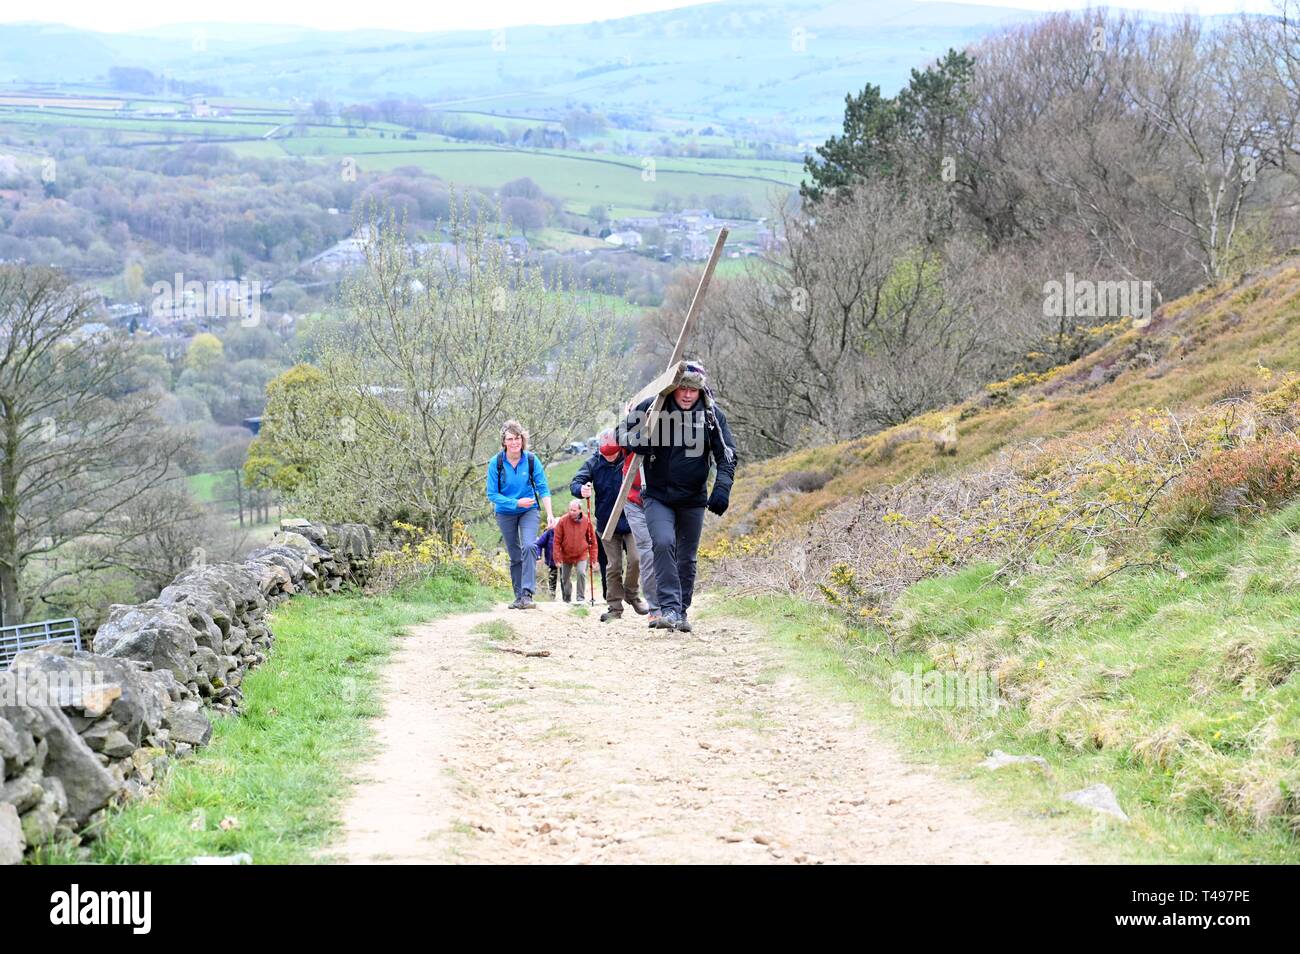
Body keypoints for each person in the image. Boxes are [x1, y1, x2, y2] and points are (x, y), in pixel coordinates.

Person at [617, 361, 737, 632]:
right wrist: (637, 441)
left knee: (686, 556)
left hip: (693, 498)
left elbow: (727, 456)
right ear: (673, 387)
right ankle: (669, 608)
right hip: (657, 495)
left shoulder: (711, 415)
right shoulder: (653, 407)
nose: (686, 395)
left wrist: (722, 488)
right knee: (662, 542)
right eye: (682, 388)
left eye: (692, 390)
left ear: (701, 391)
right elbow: (621, 433)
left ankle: (681, 610)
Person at [572, 429, 647, 622]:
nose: (611, 457)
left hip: (632, 519)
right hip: (607, 523)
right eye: (607, 454)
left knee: (636, 559)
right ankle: (614, 607)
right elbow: (577, 481)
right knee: (613, 566)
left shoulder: (631, 456)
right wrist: (581, 489)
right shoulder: (594, 462)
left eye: (614, 452)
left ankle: (632, 594)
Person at [486, 420, 554, 609]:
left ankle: (527, 594)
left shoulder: (531, 460)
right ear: (504, 442)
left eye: (518, 438)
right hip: (505, 513)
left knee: (530, 545)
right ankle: (518, 597)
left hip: (529, 510)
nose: (515, 442)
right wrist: (515, 502)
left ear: (522, 440)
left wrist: (550, 514)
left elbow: (543, 488)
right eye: (510, 439)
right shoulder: (496, 463)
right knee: (515, 554)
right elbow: (492, 494)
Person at [620, 437, 660, 628]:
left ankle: (673, 605)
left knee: (667, 548)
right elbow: (607, 444)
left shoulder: (672, 426)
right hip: (634, 501)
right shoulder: (628, 428)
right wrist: (629, 431)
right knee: (647, 551)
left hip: (663, 499)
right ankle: (655, 609)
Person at [553, 499, 598, 602]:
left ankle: (580, 597)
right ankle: (567, 597)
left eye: (574, 510)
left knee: (581, 573)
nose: (571, 512)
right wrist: (557, 558)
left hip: (581, 554)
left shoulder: (587, 521)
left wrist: (593, 559)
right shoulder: (563, 521)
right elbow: (556, 541)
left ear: (579, 510)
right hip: (566, 555)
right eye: (570, 510)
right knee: (565, 578)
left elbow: (592, 541)